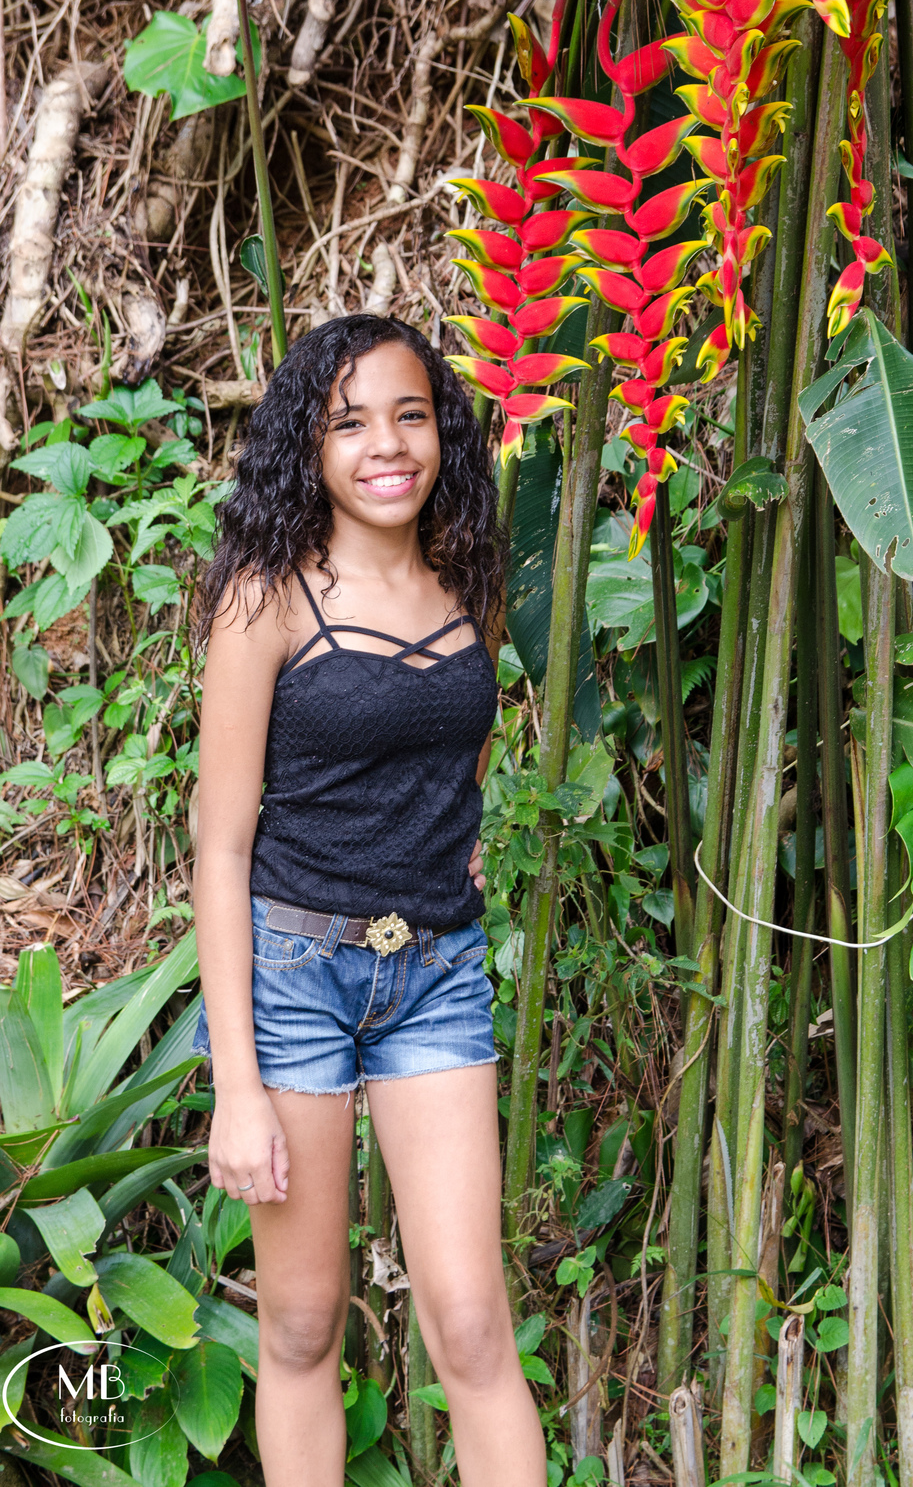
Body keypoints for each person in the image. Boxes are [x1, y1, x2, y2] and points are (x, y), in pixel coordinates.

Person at [191, 314, 545, 1487]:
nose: (386, 446)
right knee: (300, 1328)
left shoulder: (468, 580)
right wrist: (236, 1088)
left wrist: (459, 847)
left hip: (434, 974)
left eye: (409, 414)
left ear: (442, 429)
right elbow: (222, 840)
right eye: (350, 422)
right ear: (312, 446)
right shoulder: (267, 599)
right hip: (295, 983)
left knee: (473, 1324)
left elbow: (457, 754)